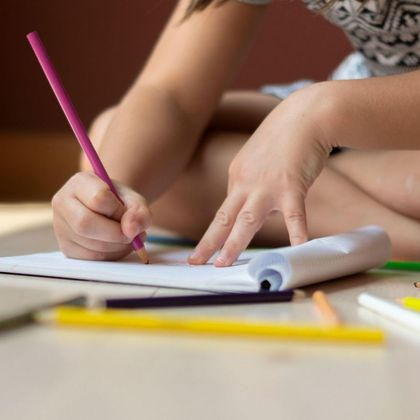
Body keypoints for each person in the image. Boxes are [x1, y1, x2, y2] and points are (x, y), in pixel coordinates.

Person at [52, 0, 420, 265]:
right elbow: (171, 95)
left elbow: (322, 111)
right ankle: (389, 228)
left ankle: (385, 234)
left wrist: (319, 111)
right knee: (111, 142)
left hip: (371, 113)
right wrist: (112, 204)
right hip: (358, 98)